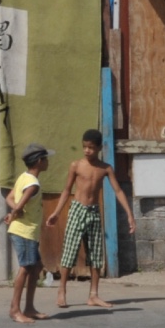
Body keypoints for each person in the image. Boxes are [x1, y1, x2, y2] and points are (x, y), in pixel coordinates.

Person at [45, 129, 137, 309]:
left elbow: (118, 190)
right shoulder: (76, 165)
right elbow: (66, 190)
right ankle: (62, 291)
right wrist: (56, 212)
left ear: (99, 148)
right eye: (85, 147)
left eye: (91, 148)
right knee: (70, 252)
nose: (87, 151)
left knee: (95, 255)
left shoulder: (105, 168)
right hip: (77, 211)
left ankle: (93, 295)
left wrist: (129, 214)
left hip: (94, 212)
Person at [5, 143, 53, 324]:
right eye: (46, 159)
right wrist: (15, 212)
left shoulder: (23, 178)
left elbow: (9, 198)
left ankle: (30, 308)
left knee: (36, 267)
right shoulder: (33, 184)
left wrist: (14, 211)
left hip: (27, 231)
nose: (48, 162)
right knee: (26, 268)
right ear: (40, 161)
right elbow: (19, 204)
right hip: (24, 231)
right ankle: (15, 309)